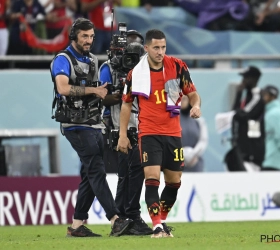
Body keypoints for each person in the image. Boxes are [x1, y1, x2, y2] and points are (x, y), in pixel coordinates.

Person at [50, 17, 132, 237]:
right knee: (96, 168)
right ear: (74, 36)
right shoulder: (62, 59)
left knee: (88, 173)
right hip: (74, 124)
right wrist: (94, 92)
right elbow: (63, 88)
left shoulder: (94, 60)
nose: (88, 40)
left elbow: (99, 95)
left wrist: (118, 97)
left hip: (95, 123)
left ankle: (77, 226)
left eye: (92, 36)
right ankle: (115, 218)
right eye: (84, 36)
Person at [117, 29, 201, 238]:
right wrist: (123, 135)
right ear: (146, 48)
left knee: (174, 181)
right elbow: (126, 105)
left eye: (163, 47)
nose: (160, 52)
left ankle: (161, 221)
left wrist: (196, 106)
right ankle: (155, 226)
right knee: (152, 177)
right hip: (149, 132)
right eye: (156, 47)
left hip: (173, 133)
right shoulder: (136, 73)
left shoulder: (178, 66)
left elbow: (192, 93)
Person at [98, 29, 153, 235]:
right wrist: (124, 93)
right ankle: (131, 215)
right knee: (129, 173)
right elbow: (102, 97)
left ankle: (124, 217)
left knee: (130, 173)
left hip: (143, 125)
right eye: (128, 46)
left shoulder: (146, 69)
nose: (132, 52)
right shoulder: (109, 68)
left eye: (137, 47)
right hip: (120, 127)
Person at [226, 66, 265, 171]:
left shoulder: (258, 96)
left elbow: (243, 115)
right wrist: (238, 94)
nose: (243, 81)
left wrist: (237, 113)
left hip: (252, 149)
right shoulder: (246, 95)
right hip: (242, 146)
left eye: (246, 78)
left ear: (254, 79)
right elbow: (235, 112)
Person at [180, 95, 208, 172]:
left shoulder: (199, 121)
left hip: (195, 163)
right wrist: (181, 154)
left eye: (184, 99)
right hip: (177, 163)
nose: (181, 101)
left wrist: (193, 153)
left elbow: (203, 141)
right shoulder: (173, 119)